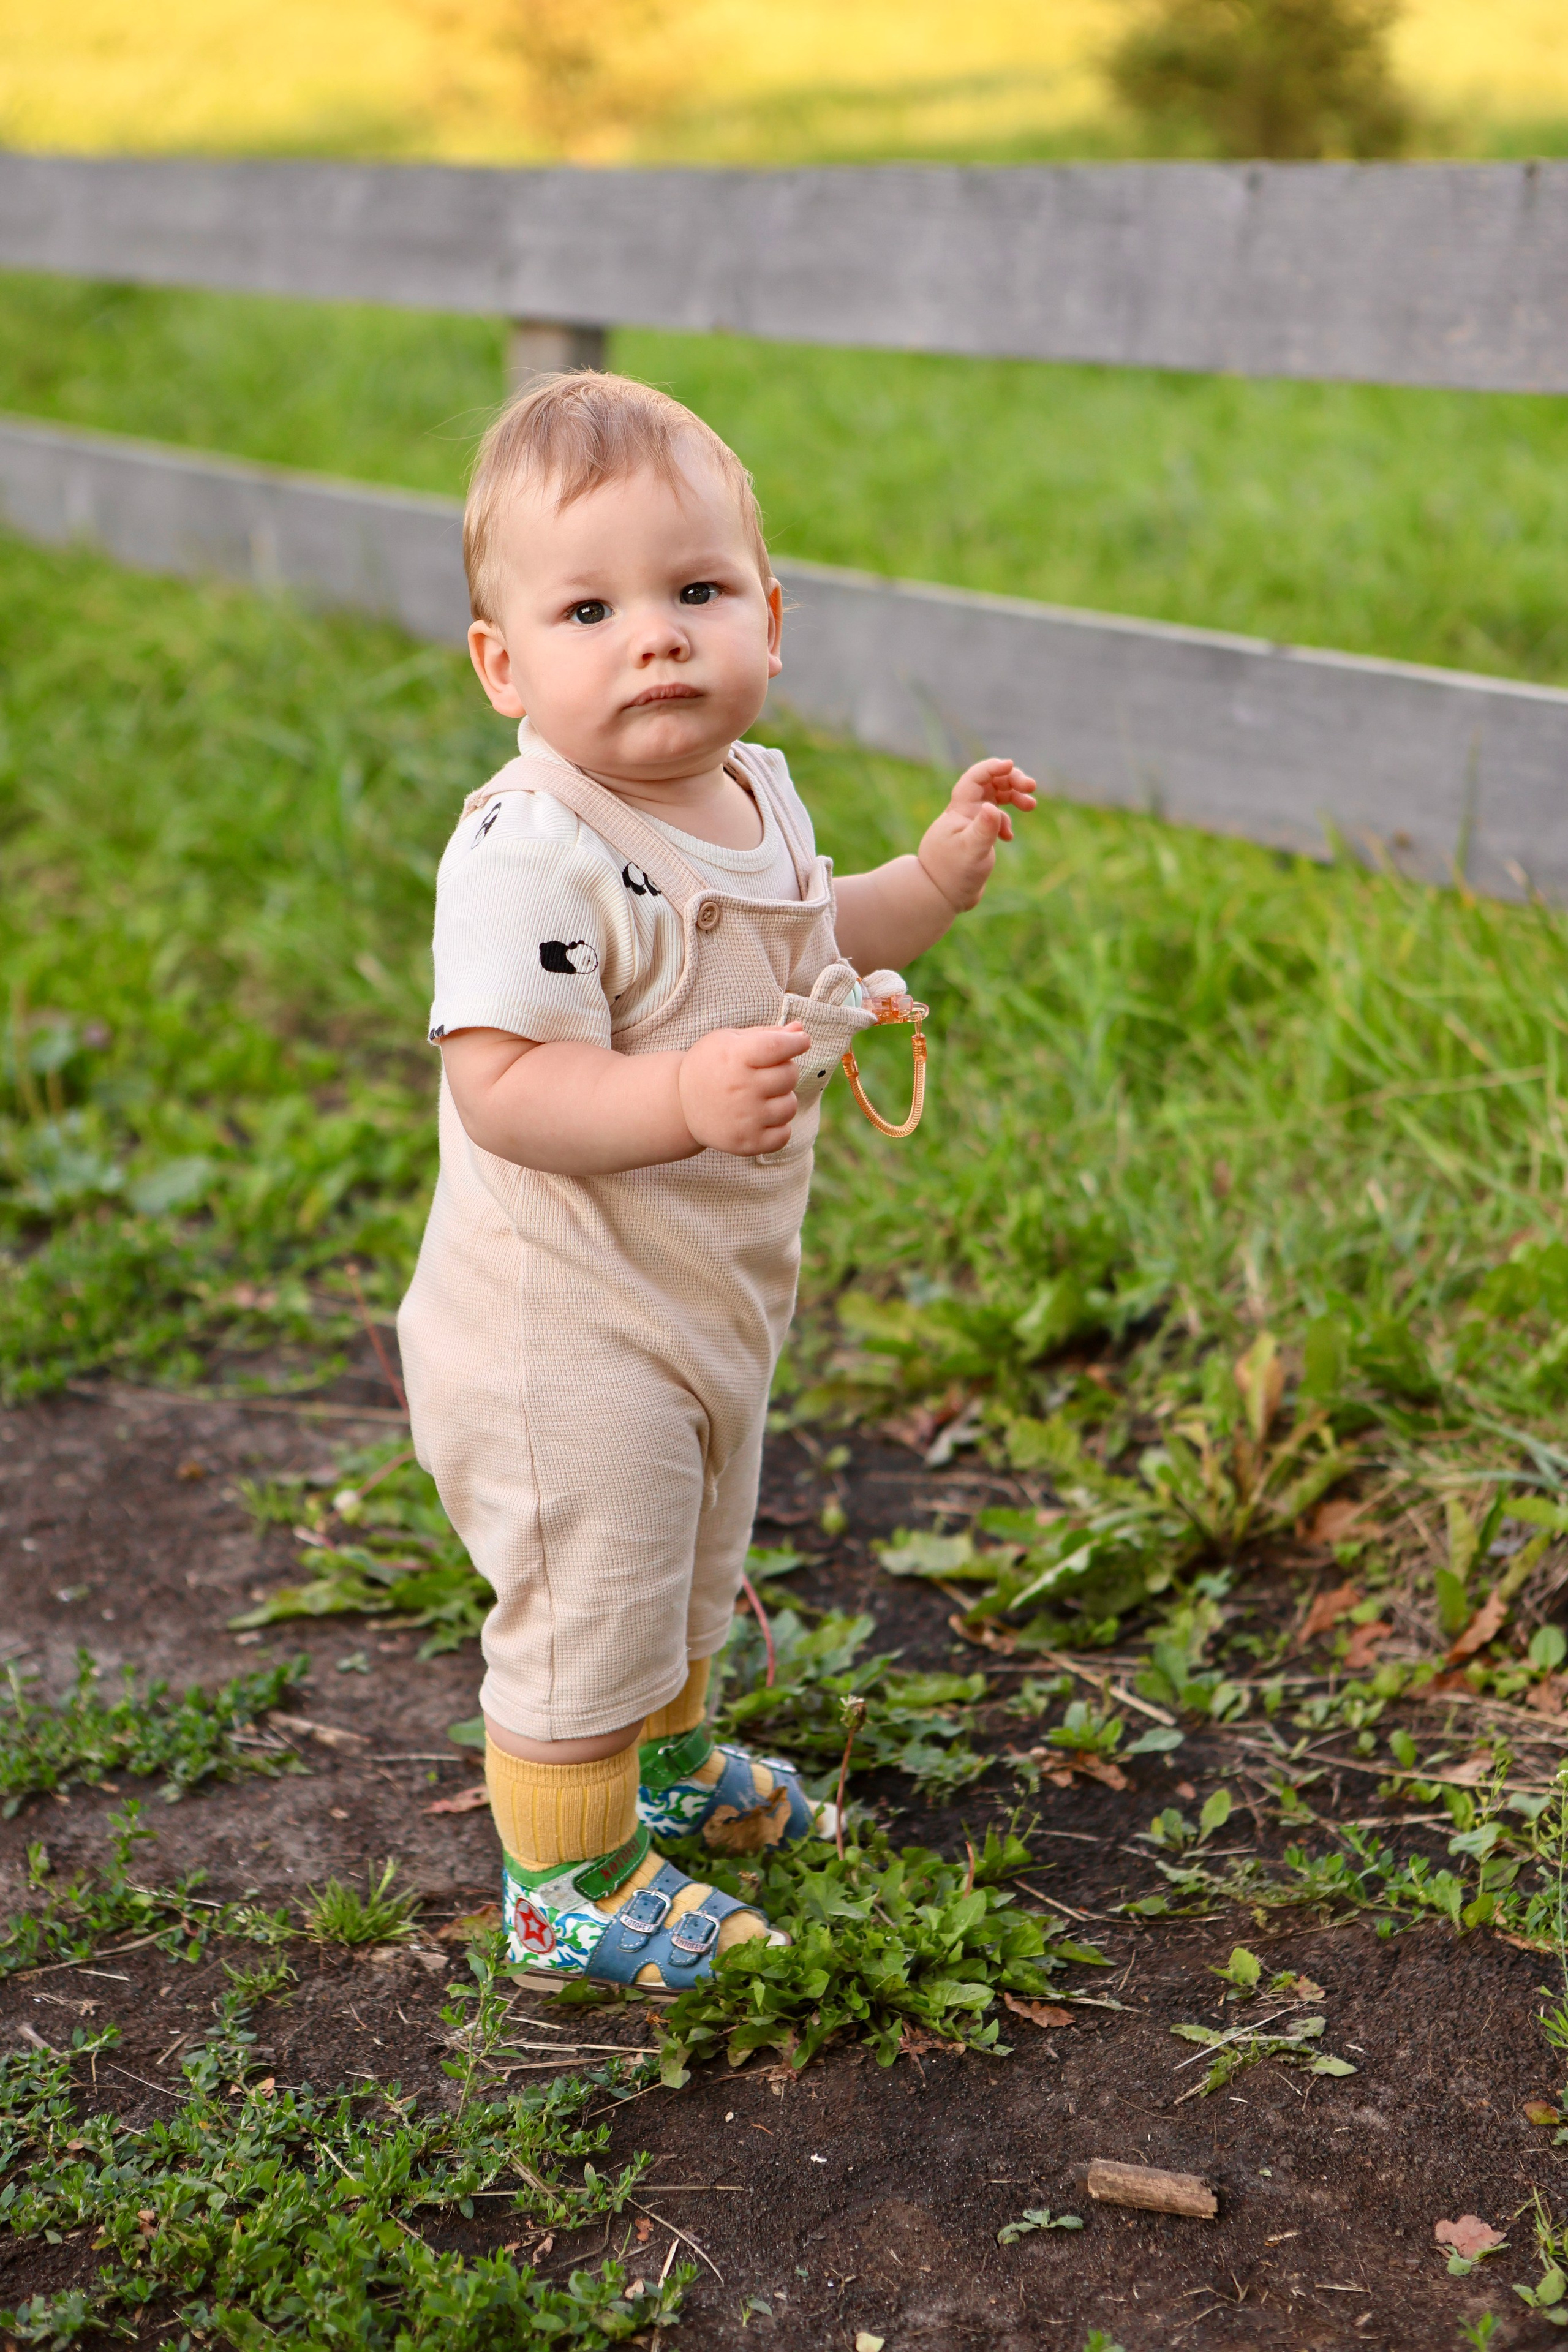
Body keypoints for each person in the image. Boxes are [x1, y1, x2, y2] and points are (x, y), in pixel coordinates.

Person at [397, 371, 1035, 1988]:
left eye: (695, 593)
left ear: (771, 613)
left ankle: (666, 1769)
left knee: (686, 1553)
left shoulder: (758, 793)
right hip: (557, 1324)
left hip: (704, 1294)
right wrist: (680, 1087)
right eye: (591, 607)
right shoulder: (529, 849)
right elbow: (506, 1083)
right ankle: (568, 1879)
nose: (657, 638)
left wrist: (934, 879)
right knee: (591, 1594)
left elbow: (821, 941)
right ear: (505, 665)